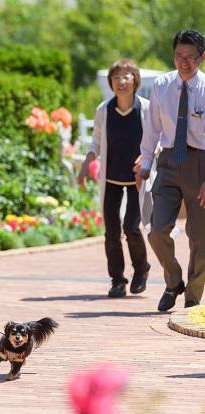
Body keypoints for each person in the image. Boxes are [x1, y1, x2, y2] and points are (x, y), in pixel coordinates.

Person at [137, 29, 205, 311]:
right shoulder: (162, 85)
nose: (184, 62)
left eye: (190, 57)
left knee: (200, 236)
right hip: (167, 161)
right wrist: (145, 164)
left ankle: (193, 295)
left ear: (202, 57)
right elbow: (152, 127)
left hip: (201, 164)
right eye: (179, 56)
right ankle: (173, 279)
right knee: (155, 229)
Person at [78, 59, 151, 298]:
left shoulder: (147, 109)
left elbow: (158, 138)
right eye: (116, 77)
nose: (121, 80)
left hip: (137, 179)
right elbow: (96, 142)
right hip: (111, 179)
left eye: (127, 75)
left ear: (135, 80)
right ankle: (117, 280)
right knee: (111, 232)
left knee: (132, 227)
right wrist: (86, 163)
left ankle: (141, 270)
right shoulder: (104, 110)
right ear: (111, 82)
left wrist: (147, 157)